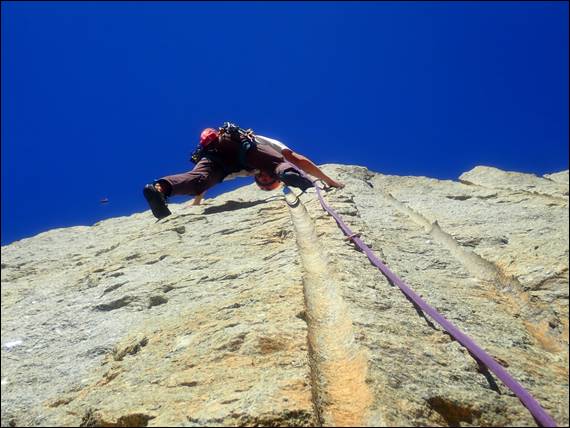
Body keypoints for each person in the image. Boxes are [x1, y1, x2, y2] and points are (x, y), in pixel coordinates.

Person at [143, 123, 344, 219]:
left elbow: (202, 181)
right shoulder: (264, 142)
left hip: (216, 156)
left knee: (198, 180)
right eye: (269, 180)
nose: (264, 178)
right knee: (278, 163)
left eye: (263, 182)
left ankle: (160, 189)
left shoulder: (241, 173)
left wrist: (197, 201)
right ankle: (288, 174)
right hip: (239, 145)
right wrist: (329, 181)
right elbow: (295, 157)